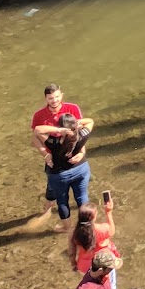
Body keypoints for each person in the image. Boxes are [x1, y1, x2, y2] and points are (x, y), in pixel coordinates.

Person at [32, 85, 86, 219]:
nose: (54, 100)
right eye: (50, 98)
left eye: (56, 97)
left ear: (61, 95)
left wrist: (81, 152)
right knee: (51, 188)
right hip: (54, 156)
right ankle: (46, 211)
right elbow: (35, 137)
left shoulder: (72, 109)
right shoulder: (39, 116)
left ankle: (73, 221)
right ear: (45, 98)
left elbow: (80, 133)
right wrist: (45, 154)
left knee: (76, 194)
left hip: (72, 153)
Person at [36, 112, 94, 227]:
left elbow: (38, 130)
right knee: (82, 197)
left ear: (61, 126)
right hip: (81, 169)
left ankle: (66, 228)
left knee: (62, 201)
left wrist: (58, 130)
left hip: (60, 175)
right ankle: (88, 225)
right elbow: (90, 121)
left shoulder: (54, 142)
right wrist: (77, 124)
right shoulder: (82, 135)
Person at [68, 199, 119, 289]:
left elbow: (72, 250)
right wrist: (108, 212)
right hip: (103, 264)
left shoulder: (74, 232)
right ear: (93, 217)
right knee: (110, 286)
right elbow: (112, 231)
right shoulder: (101, 229)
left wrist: (73, 264)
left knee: (92, 288)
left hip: (84, 266)